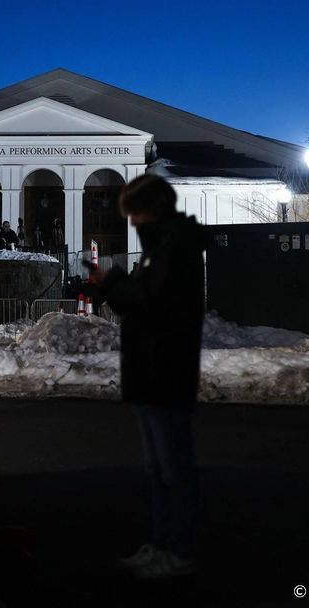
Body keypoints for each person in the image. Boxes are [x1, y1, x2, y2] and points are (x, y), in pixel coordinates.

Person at [89, 174, 206, 581]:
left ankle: (179, 549)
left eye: (135, 213)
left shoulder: (175, 249)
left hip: (165, 371)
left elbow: (155, 305)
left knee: (173, 468)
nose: (132, 222)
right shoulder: (162, 248)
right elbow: (144, 303)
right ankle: (160, 543)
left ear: (151, 210)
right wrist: (114, 286)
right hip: (151, 370)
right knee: (158, 469)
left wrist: (114, 282)